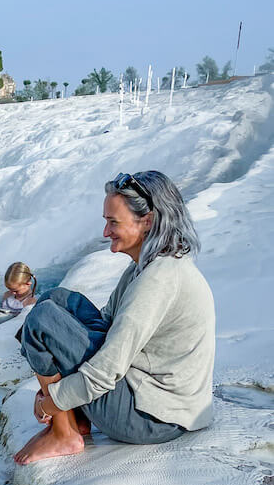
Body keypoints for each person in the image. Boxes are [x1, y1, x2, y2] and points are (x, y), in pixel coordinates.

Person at [13, 170, 215, 465]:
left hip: (153, 418)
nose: (106, 232)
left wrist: (52, 401)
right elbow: (108, 324)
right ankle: (76, 420)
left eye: (113, 222)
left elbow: (107, 369)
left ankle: (63, 432)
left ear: (147, 221)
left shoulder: (158, 280)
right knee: (54, 300)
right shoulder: (148, 266)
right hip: (152, 399)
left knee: (43, 319)